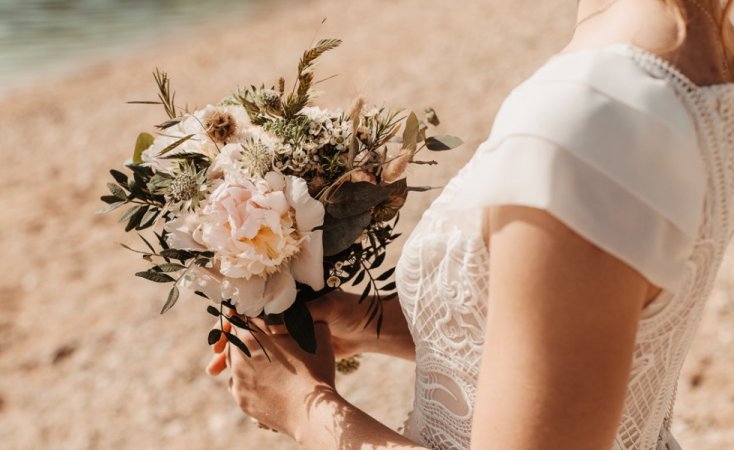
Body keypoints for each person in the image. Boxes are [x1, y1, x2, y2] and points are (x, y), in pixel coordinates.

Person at [206, 1, 734, 448]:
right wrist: (370, 321)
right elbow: (598, 325)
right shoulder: (689, 55)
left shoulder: (589, 119)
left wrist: (302, 405)